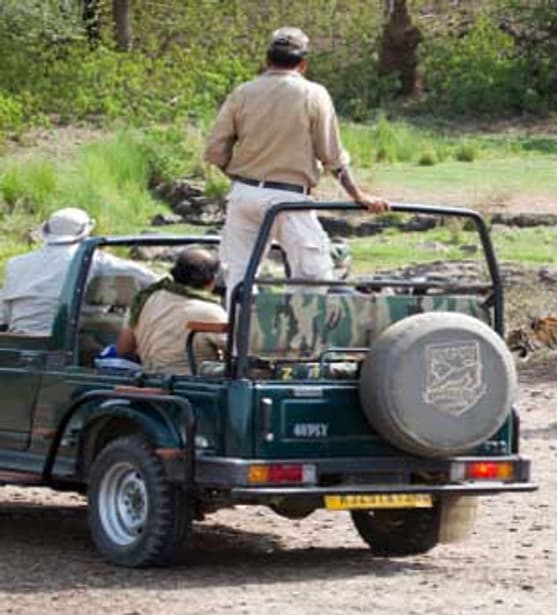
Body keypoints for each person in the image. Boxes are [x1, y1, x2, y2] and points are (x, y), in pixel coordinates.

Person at [203, 26, 388, 304]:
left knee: (239, 277)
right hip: (290, 197)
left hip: (244, 194)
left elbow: (216, 150)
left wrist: (241, 177)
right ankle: (295, 337)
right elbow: (332, 156)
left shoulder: (242, 93)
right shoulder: (313, 94)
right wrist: (358, 195)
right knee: (313, 275)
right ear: (303, 64)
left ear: (267, 60)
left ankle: (240, 340)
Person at [0, 208, 155, 335]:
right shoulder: (93, 258)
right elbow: (146, 276)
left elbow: (4, 314)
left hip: (19, 339)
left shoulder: (15, 263)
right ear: (85, 233)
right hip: (65, 341)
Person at [117, 247, 227, 375]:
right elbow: (239, 354)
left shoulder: (145, 299)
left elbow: (124, 349)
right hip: (196, 388)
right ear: (212, 281)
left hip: (150, 381)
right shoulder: (210, 311)